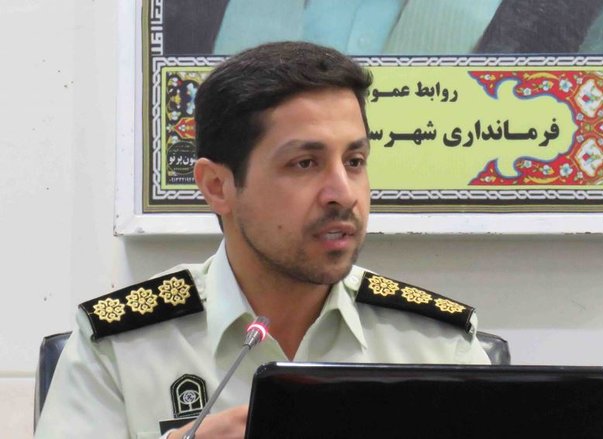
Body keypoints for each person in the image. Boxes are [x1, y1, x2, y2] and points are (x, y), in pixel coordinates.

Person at [35, 41, 490, 439]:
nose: (343, 193)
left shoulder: (435, 346)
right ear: (217, 186)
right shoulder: (119, 348)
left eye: (354, 161)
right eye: (304, 164)